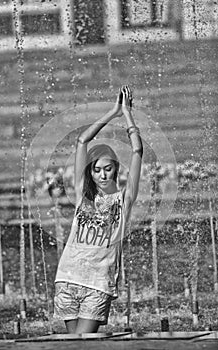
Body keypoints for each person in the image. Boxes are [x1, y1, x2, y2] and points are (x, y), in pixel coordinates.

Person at [54, 86, 143, 334]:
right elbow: (82, 140)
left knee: (85, 341)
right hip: (68, 277)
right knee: (73, 344)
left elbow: (137, 151)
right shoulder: (83, 194)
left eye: (107, 168)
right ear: (90, 172)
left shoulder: (124, 199)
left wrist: (126, 114)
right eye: (96, 169)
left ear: (116, 168)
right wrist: (111, 112)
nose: (102, 174)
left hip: (98, 283)